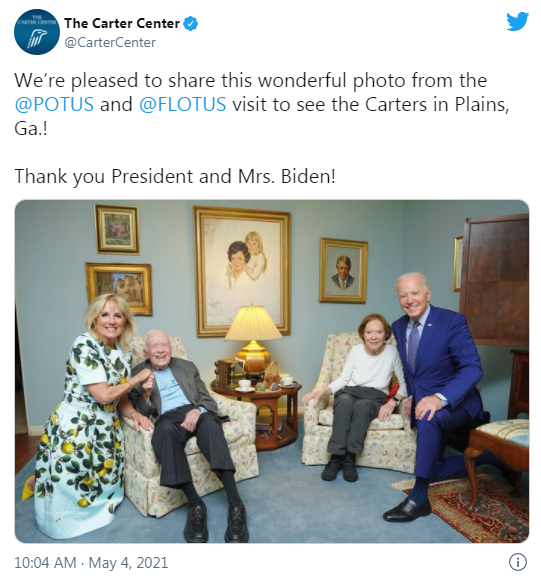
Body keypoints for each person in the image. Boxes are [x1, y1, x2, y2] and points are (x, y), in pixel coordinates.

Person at [34, 294, 154, 539]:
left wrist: (135, 414)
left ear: (125, 321)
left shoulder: (124, 351)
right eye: (105, 315)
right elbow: (104, 395)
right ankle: (62, 524)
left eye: (118, 315)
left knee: (102, 478)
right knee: (71, 478)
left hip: (106, 426)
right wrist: (136, 379)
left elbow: (121, 399)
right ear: (94, 319)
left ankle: (98, 513)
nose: (111, 321)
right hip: (77, 425)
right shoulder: (84, 345)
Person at [383, 272, 490, 522]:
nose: (410, 299)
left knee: (428, 417)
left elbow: (473, 368)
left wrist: (439, 398)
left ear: (428, 293)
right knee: (433, 469)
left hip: (458, 402)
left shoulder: (452, 321)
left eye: (415, 293)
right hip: (423, 402)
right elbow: (412, 372)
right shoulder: (398, 326)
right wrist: (410, 397)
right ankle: (487, 458)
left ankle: (419, 499)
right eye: (403, 295)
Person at [124, 330, 249, 543]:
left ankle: (236, 504)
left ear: (171, 348)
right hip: (167, 419)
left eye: (164, 345)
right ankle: (195, 505)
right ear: (146, 352)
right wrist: (146, 394)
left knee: (211, 425)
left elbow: (208, 399)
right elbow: (143, 414)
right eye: (155, 346)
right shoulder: (137, 374)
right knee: (163, 433)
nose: (161, 350)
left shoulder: (186, 366)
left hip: (195, 411)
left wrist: (197, 411)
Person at [302, 313, 407, 482]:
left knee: (362, 407)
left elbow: (404, 383)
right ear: (363, 334)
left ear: (386, 334)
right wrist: (320, 392)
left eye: (379, 332)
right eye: (369, 332)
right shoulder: (356, 350)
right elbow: (343, 379)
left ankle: (350, 458)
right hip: (351, 391)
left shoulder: (392, 352)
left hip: (375, 397)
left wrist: (392, 403)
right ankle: (335, 457)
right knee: (343, 402)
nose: (374, 337)